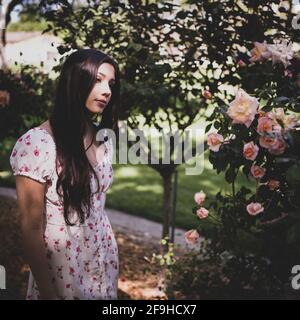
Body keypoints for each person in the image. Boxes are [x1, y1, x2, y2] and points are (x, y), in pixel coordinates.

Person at [9, 49, 120, 300]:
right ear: (75, 80)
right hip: (63, 269)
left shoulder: (102, 139)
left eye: (111, 84)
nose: (107, 91)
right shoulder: (38, 144)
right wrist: (48, 293)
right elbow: (31, 228)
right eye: (98, 79)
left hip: (101, 258)